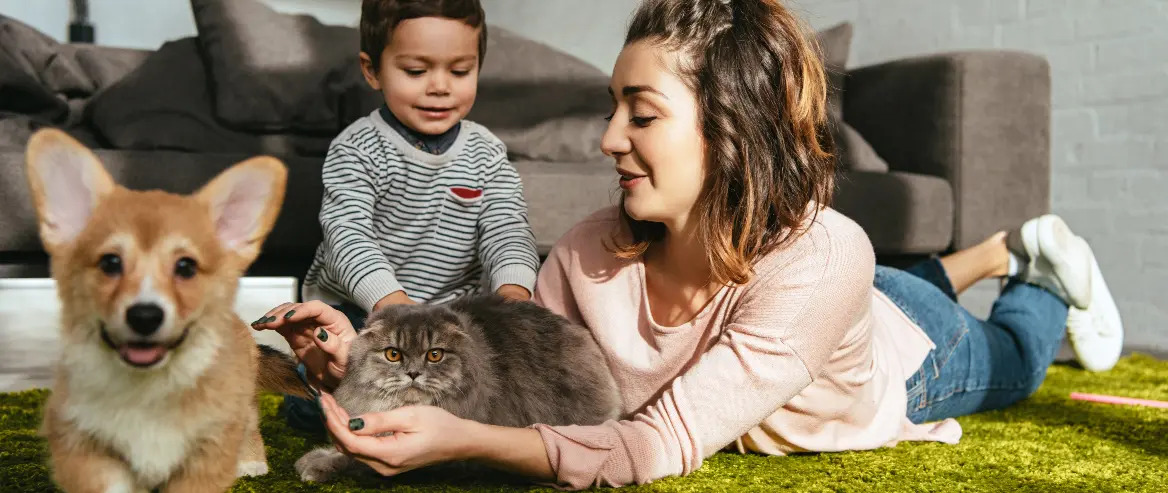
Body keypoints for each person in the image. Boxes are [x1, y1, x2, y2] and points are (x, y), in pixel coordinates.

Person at [254, 0, 1124, 488]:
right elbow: (508, 372)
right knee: (874, 281)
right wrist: (357, 365)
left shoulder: (824, 254)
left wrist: (468, 444)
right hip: (818, 302)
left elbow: (655, 444)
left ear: (732, 125)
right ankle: (987, 251)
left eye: (643, 112)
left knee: (1013, 352)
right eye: (611, 108)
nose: (607, 139)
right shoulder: (590, 251)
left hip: (908, 358)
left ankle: (1036, 268)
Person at [263, 0, 541, 432]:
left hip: (447, 316)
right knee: (324, 409)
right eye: (416, 71)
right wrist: (393, 306)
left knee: (487, 391)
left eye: (460, 71)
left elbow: (507, 227)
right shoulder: (357, 148)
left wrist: (513, 294)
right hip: (363, 310)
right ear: (372, 70)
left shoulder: (486, 151)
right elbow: (347, 237)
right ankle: (312, 393)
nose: (439, 87)